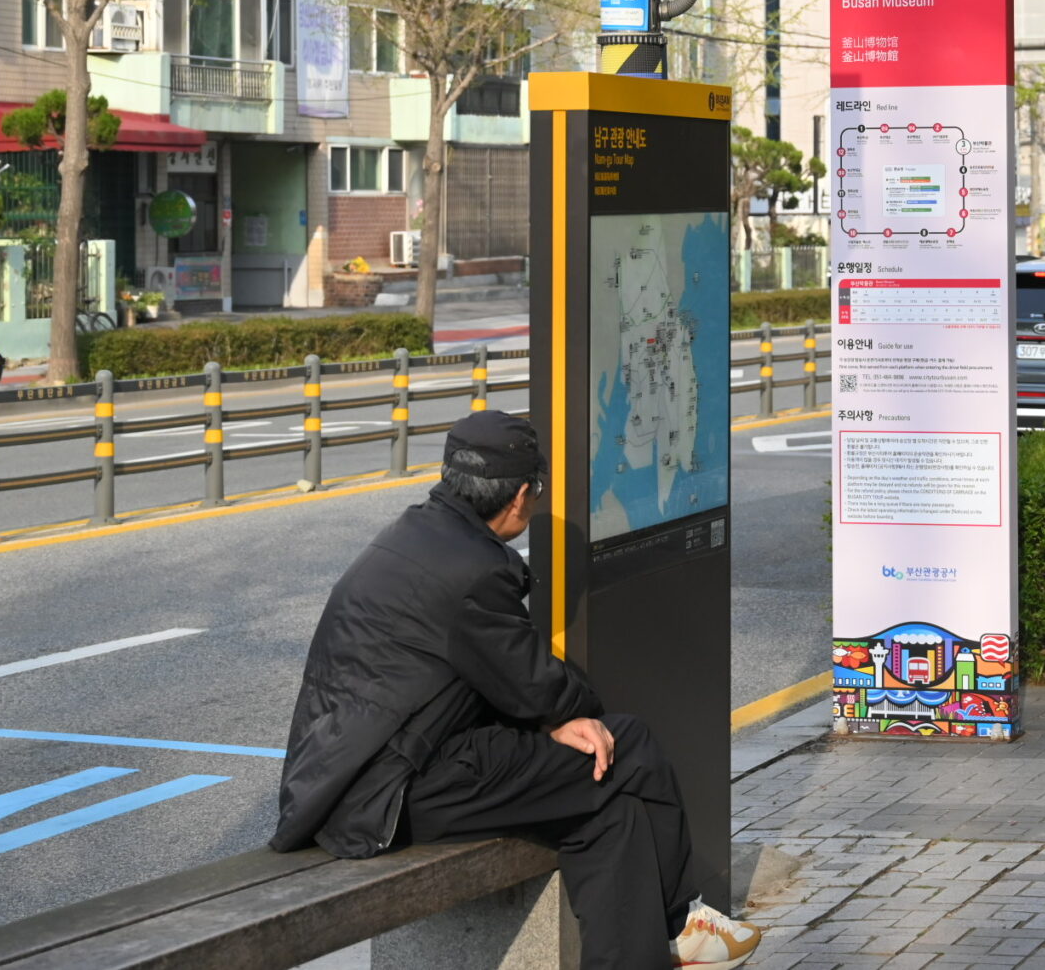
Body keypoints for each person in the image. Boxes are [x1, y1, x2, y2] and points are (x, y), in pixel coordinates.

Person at [270, 412, 758, 969]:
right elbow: (532, 681)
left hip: (359, 778)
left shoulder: (417, 533)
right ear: (523, 494)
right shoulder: (474, 569)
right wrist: (572, 714)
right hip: (397, 791)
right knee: (629, 745)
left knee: (609, 814)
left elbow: (499, 677)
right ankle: (680, 924)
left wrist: (553, 716)